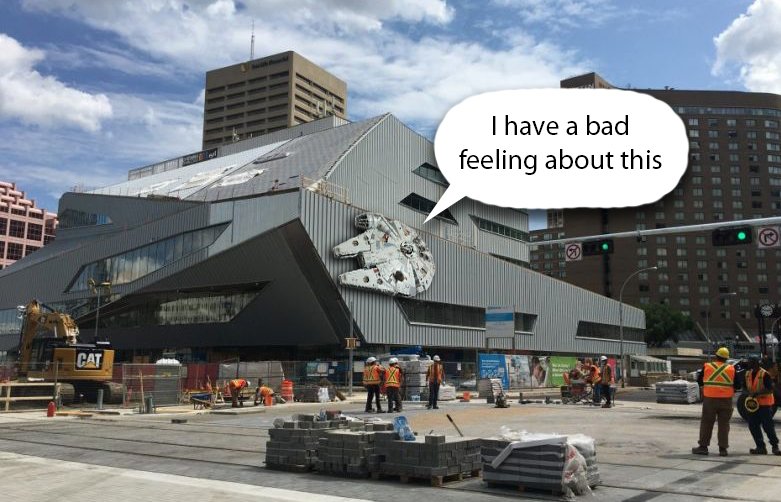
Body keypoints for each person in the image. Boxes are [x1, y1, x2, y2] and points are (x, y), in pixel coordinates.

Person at [692, 347, 738, 456]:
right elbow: (738, 385)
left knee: (707, 423)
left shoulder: (707, 366)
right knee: (724, 425)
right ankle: (723, 449)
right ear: (726, 358)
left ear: (716, 356)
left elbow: (699, 381)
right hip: (726, 400)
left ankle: (703, 447)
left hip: (710, 399)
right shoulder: (731, 369)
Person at [744, 357, 780, 455]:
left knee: (768, 427)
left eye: (750, 362)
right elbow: (745, 387)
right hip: (752, 405)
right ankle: (760, 447)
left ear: (756, 364)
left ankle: (775, 446)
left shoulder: (765, 374)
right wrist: (748, 394)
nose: (748, 364)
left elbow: (770, 389)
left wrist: (757, 393)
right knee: (753, 426)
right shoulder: (747, 374)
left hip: (765, 405)